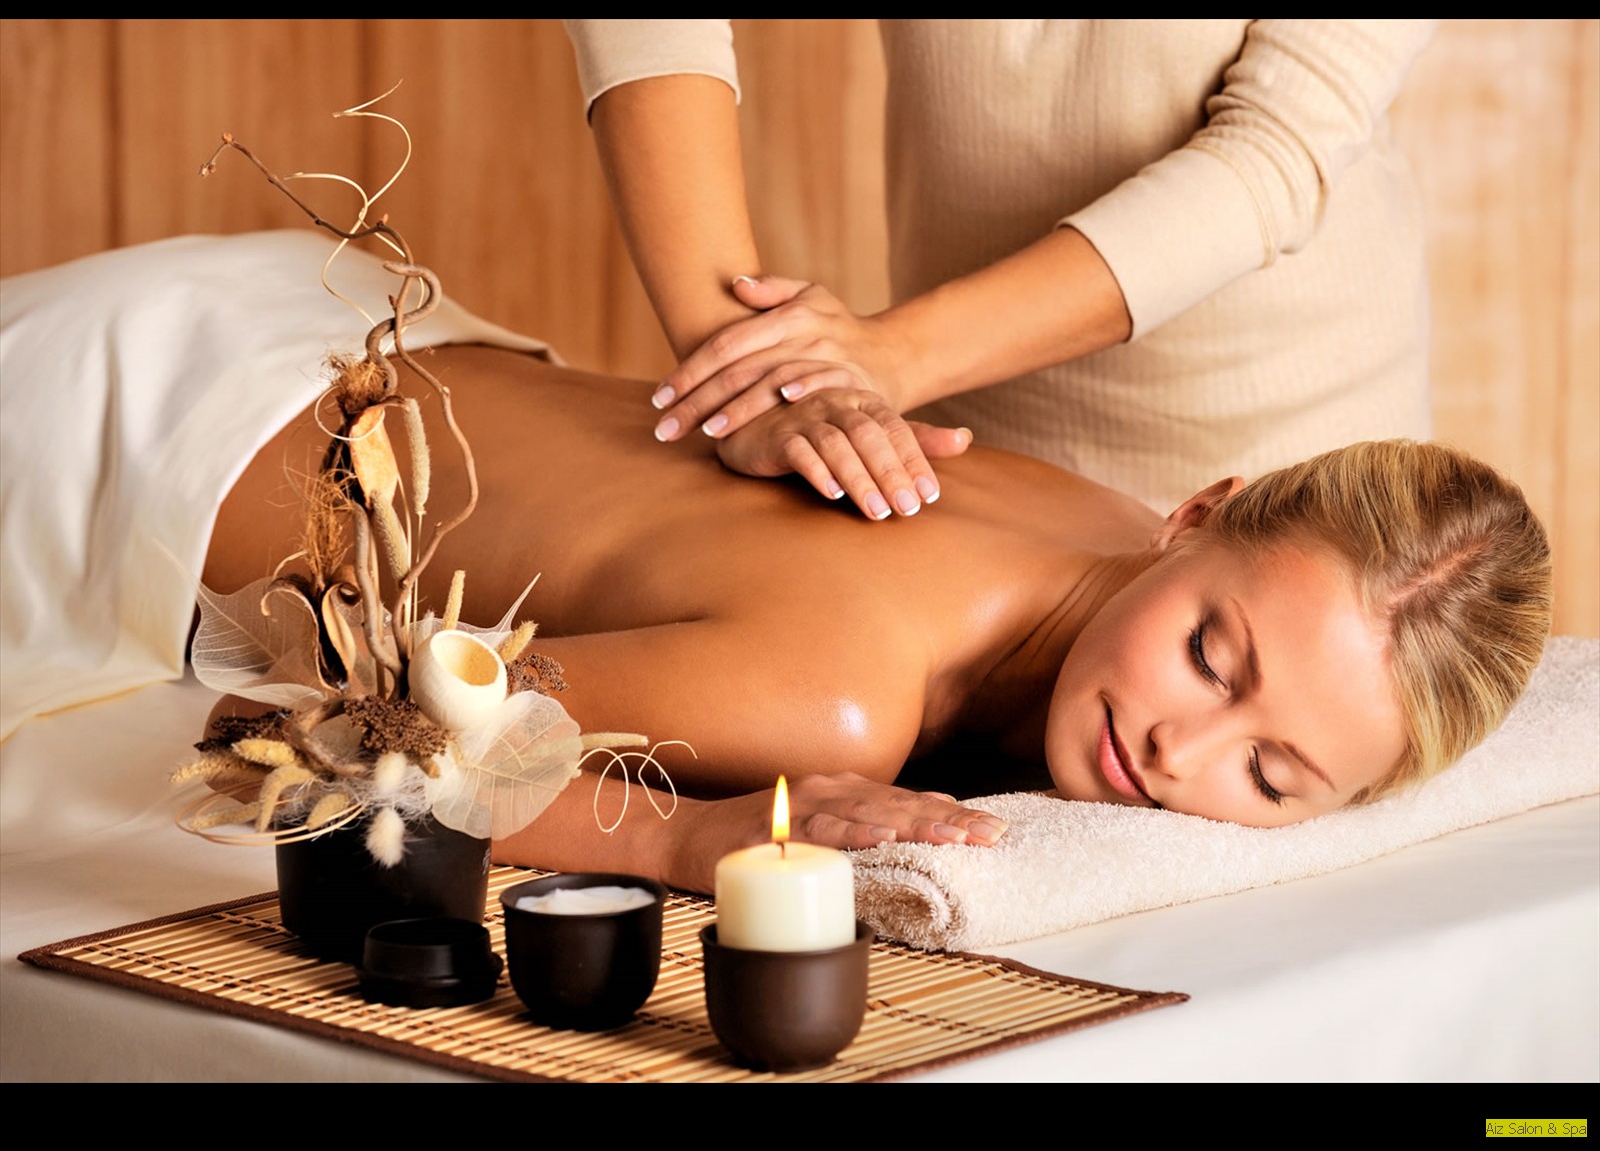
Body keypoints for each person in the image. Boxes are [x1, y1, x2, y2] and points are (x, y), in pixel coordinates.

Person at [202, 346, 1552, 894]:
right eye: (1210, 657)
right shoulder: (840, 696)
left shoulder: (1107, 530)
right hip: (187, 438)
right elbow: (305, 742)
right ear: (1196, 513)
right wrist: (683, 835)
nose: (1181, 752)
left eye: (1273, 775)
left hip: (378, 349)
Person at [564, 19, 1437, 519]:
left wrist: (892, 356)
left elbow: (1273, 153)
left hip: (1291, 474)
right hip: (961, 460)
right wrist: (749, 372)